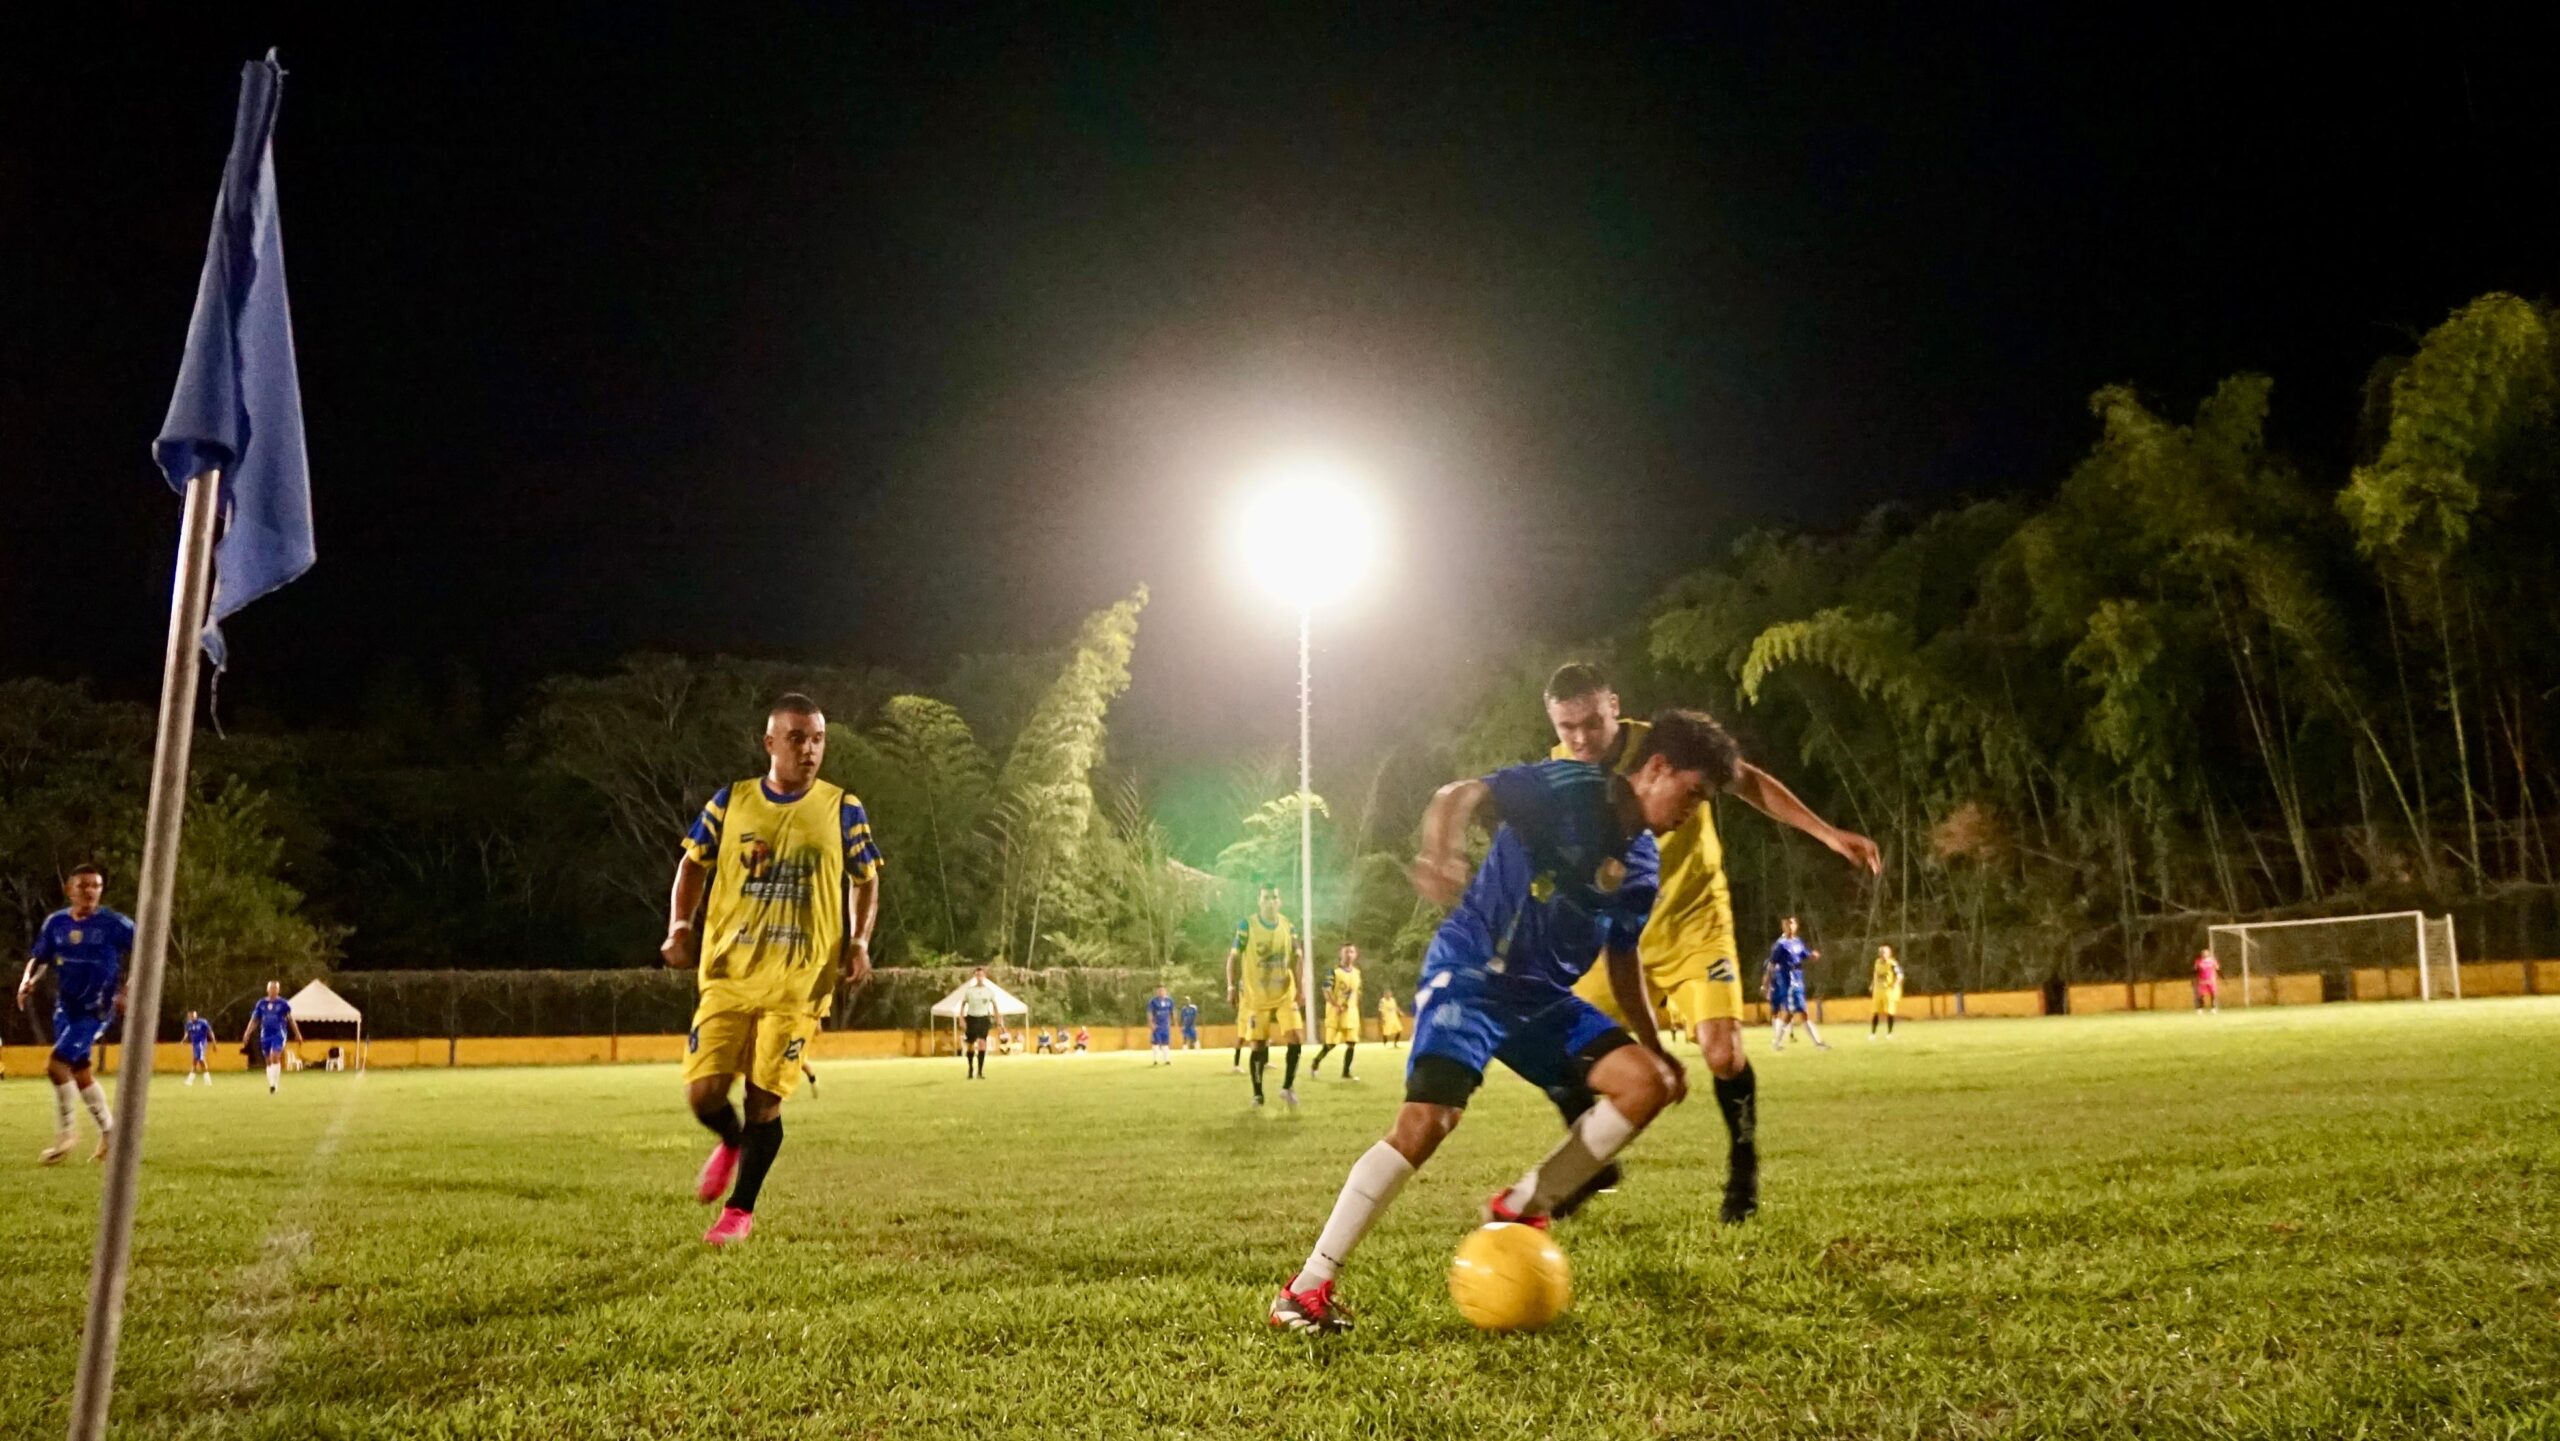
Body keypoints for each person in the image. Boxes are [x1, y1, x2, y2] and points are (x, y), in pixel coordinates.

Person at [1269, 712, 1735, 1334]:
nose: (1691, 810)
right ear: (1655, 769)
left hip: (1539, 996)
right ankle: (1305, 1290)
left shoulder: (1644, 861)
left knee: (1643, 1084)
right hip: (1471, 973)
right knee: (1427, 1122)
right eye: (1693, 792)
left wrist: (1656, 1049)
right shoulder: (1570, 789)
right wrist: (1442, 852)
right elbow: (1459, 793)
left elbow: (1624, 958)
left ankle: (1520, 1209)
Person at [1542, 664, 1877, 1224]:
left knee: (1723, 1054)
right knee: (1556, 1050)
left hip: (1695, 920)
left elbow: (1750, 783)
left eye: (1591, 723)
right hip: (1619, 933)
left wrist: (1827, 833)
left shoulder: (1669, 746)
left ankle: (1742, 1169)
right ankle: (1592, 1163)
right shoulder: (1555, 776)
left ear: (1614, 707)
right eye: (1565, 726)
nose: (1579, 738)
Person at [661, 693, 883, 1247]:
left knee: (764, 1099)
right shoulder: (731, 801)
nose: (809, 750)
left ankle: (739, 1210)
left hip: (798, 983)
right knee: (704, 1095)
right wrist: (680, 927)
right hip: (728, 972)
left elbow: (867, 877)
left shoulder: (842, 807)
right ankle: (730, 1141)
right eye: (796, 738)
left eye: (817, 739)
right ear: (769, 743)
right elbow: (691, 862)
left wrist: (859, 940)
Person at [16, 865, 132, 1164]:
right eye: (84, 886)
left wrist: (128, 990)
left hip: (96, 1009)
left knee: (56, 1066)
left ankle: (66, 1135)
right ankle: (110, 1132)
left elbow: (149, 951)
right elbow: (39, 958)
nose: (90, 891)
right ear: (70, 890)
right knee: (80, 1072)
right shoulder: (55, 923)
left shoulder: (113, 923)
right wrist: (28, 980)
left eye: (96, 886)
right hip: (65, 1009)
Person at [1227, 882, 1306, 1108]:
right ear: (1259, 901)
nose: (1270, 902)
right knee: (1258, 1044)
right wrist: (1231, 986)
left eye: (1274, 898)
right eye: (1265, 898)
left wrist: (1300, 988)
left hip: (1283, 993)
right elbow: (1232, 958)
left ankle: (1287, 1087)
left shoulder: (1288, 925)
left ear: (1279, 901)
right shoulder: (1247, 926)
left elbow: (1299, 958)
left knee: (1296, 1037)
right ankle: (1258, 1094)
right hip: (1256, 996)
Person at [1765, 919, 1826, 1052]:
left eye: (1792, 923)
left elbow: (1804, 954)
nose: (1789, 926)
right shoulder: (1780, 945)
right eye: (1787, 924)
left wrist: (1812, 956)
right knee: (1802, 1012)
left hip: (1798, 979)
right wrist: (1768, 984)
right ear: (1783, 927)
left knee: (1791, 1014)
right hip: (1789, 981)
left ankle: (1777, 1042)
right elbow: (1771, 964)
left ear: (1796, 926)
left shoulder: (1797, 942)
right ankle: (1818, 1043)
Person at [1311, 944, 1363, 1081]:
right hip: (1335, 1013)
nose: (1349, 955)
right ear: (1341, 954)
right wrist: (1336, 1005)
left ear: (1355, 954)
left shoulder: (1357, 973)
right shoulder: (1333, 972)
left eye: (1351, 952)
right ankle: (1316, 1062)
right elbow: (1326, 991)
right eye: (1346, 952)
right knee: (1331, 1044)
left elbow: (1357, 992)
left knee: (1352, 1042)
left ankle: (1346, 1073)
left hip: (1351, 1014)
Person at [245, 981, 302, 1093]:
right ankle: (271, 1083)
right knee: (268, 1061)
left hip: (279, 1034)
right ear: (267, 989)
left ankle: (274, 1085)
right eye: (271, 988)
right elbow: (255, 1020)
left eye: (275, 988)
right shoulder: (261, 1003)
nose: (273, 990)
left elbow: (290, 1019)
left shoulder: (283, 1004)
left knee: (274, 1056)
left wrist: (297, 1033)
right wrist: (247, 1032)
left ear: (278, 990)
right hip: (265, 1034)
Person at [955, 966, 1004, 1078]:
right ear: (975, 976)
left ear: (984, 976)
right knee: (971, 1044)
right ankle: (971, 1068)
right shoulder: (970, 991)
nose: (979, 977)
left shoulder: (989, 991)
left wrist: (998, 1021)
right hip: (972, 1018)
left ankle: (980, 1072)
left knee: (982, 1043)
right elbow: (963, 1004)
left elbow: (995, 1006)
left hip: (983, 1019)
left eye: (981, 975)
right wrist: (961, 1018)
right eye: (977, 975)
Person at [1869, 945, 1904, 1039]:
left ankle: (1889, 1033)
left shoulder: (1892, 963)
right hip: (1878, 991)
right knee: (1875, 1012)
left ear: (1889, 954)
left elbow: (1900, 975)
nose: (1882, 954)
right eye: (1880, 952)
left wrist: (1896, 984)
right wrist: (1873, 984)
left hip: (1888, 991)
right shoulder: (1877, 962)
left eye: (1884, 952)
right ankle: (1873, 1034)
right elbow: (1876, 974)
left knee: (1889, 1012)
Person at [1146, 985, 1178, 1065]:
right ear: (1157, 992)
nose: (1161, 992)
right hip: (1156, 1025)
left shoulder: (1169, 1000)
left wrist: (1175, 1022)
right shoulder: (1153, 1001)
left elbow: (1173, 1011)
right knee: (1155, 1042)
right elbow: (1149, 1012)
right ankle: (1155, 1060)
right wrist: (1151, 1023)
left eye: (1162, 991)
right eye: (1159, 991)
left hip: (1166, 1025)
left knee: (1166, 1042)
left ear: (1165, 991)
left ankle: (1167, 1060)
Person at [184, 1009, 216, 1085]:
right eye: (190, 1016)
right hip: (195, 1045)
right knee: (197, 1061)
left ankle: (191, 1081)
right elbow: (187, 1033)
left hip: (201, 1044)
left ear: (195, 1015)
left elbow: (210, 1032)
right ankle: (207, 1081)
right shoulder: (189, 1024)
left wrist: (214, 1042)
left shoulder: (202, 1022)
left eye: (193, 1015)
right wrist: (184, 1039)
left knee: (199, 1061)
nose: (191, 1017)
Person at [2195, 947, 2221, 1013]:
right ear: (2201, 954)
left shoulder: (2213, 960)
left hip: (2211, 980)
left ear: (2208, 954)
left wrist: (2219, 976)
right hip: (2202, 981)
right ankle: (2200, 1008)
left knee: (2213, 994)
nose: (2204, 954)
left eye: (2206, 953)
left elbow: (2217, 968)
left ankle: (2213, 1008)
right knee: (2201, 995)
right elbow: (2195, 970)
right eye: (2203, 953)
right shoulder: (2198, 961)